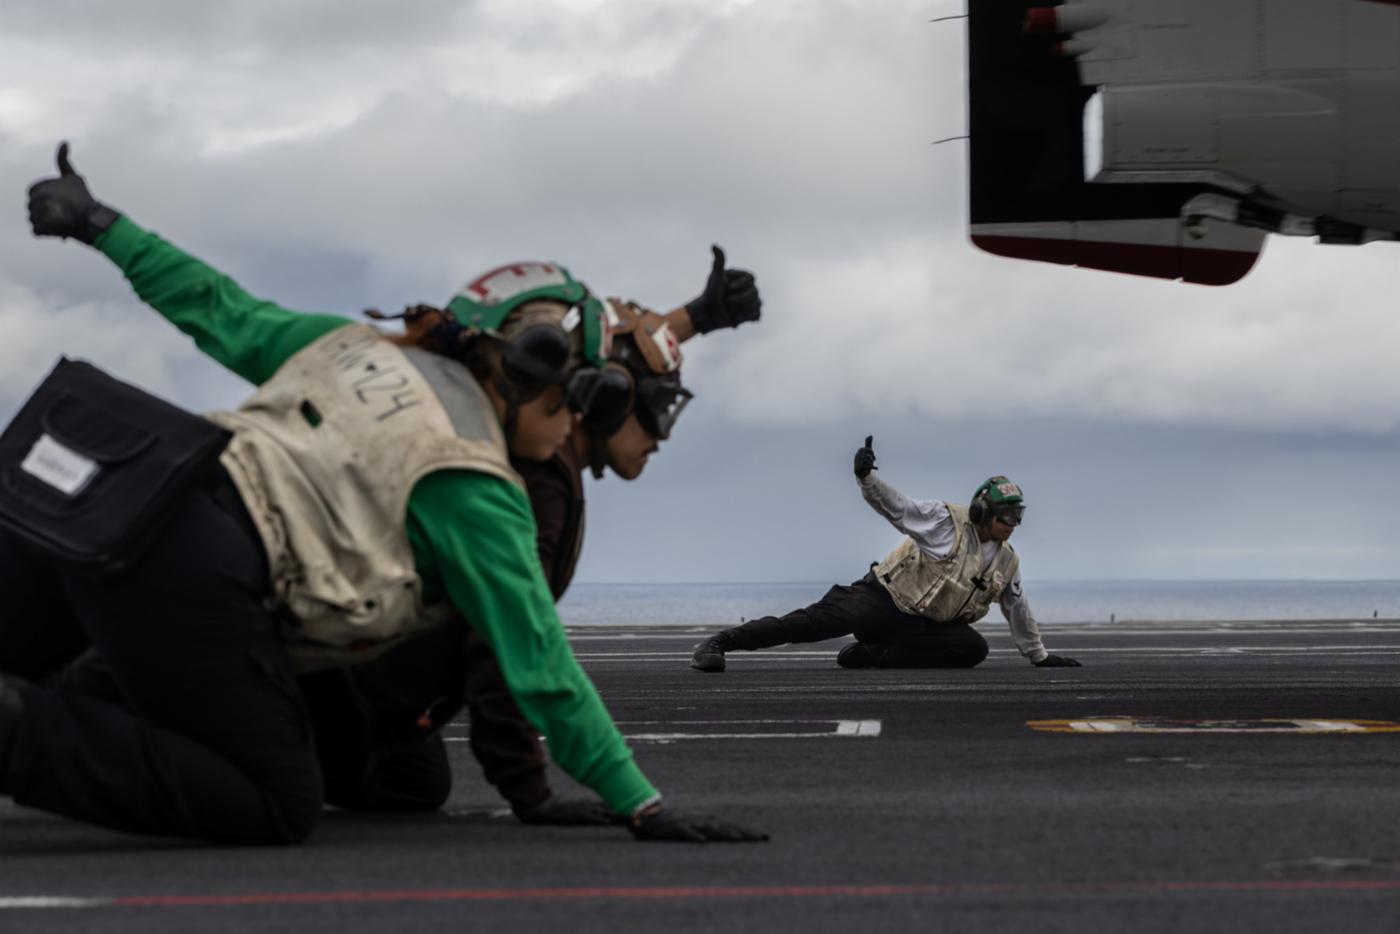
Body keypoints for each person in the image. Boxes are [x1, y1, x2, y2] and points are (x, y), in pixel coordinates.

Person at [0, 142, 765, 844]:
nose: (571, 428)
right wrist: (641, 802)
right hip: (198, 564)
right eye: (579, 400)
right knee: (273, 798)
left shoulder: (350, 345)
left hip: (110, 483)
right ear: (533, 372)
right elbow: (541, 668)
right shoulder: (473, 482)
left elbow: (215, 306)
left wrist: (102, 223)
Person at [302, 281, 759, 825]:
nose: (660, 434)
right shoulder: (541, 484)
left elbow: (604, 340)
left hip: (367, 691)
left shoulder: (545, 446)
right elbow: (505, 646)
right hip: (339, 690)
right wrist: (531, 793)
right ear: (608, 398)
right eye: (656, 409)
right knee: (277, 803)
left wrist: (698, 318)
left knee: (415, 784)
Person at [690, 435, 1082, 672]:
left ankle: (873, 655)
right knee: (812, 624)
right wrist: (867, 478)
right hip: (880, 599)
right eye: (1006, 515)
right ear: (983, 511)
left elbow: (1017, 607)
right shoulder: (946, 522)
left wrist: (1039, 656)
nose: (1013, 522)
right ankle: (720, 642)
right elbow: (899, 507)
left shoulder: (1007, 561)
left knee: (971, 648)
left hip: (922, 626)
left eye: (1018, 515)